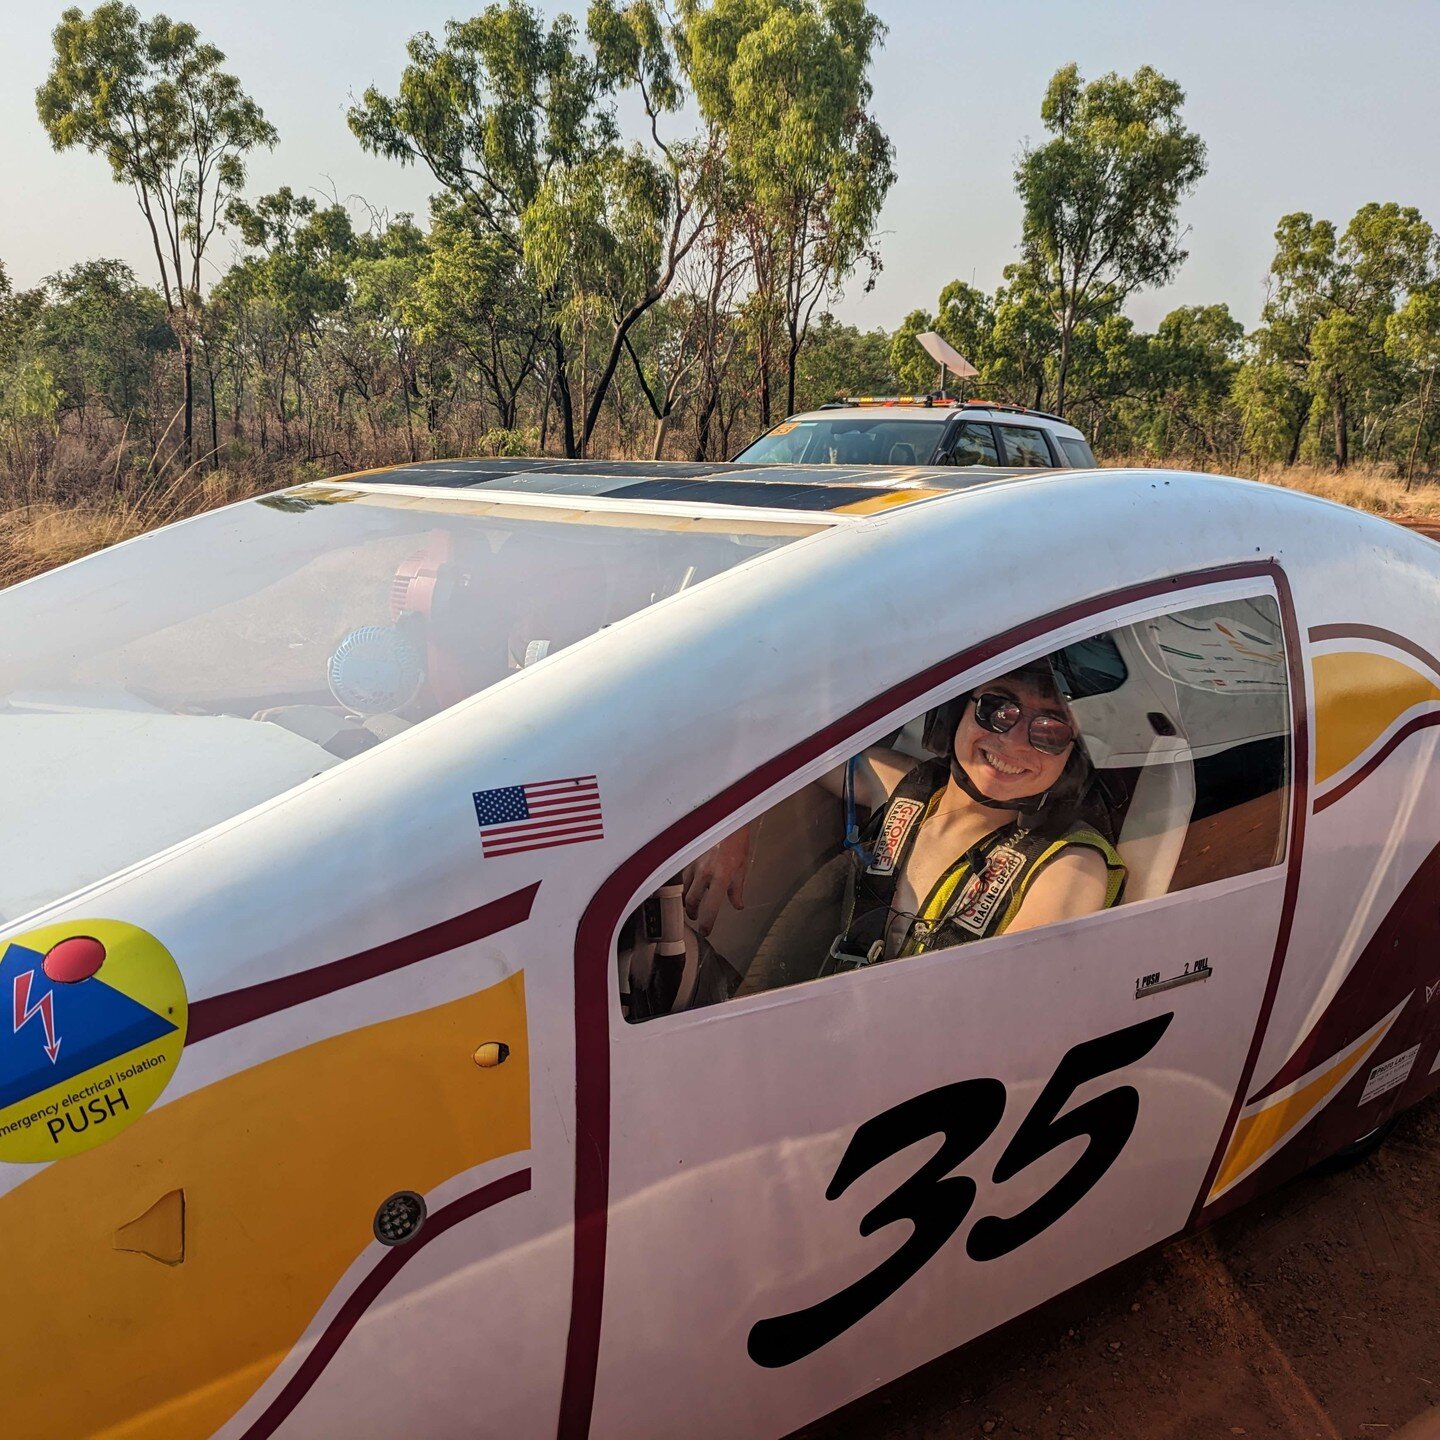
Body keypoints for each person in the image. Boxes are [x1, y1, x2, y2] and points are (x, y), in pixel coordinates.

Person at [681, 659, 1126, 983]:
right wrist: (729, 828)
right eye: (998, 710)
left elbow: (1015, 1007)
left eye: (1049, 730)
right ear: (955, 713)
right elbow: (770, 739)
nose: (1012, 742)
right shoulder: (903, 788)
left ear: (1072, 754)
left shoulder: (1068, 868)